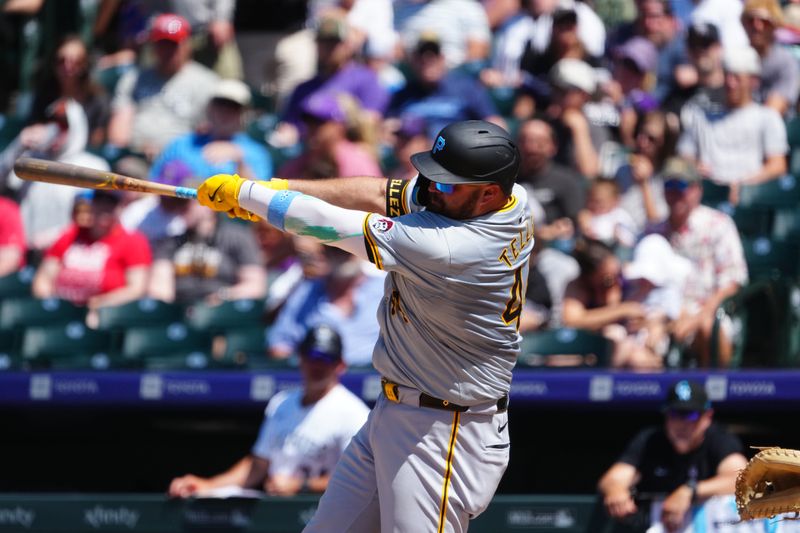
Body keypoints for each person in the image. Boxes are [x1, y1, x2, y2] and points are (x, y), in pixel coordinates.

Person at [195, 119, 532, 531]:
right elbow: (376, 193)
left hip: (445, 431)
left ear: (489, 194)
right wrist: (279, 188)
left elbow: (336, 226)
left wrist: (251, 196)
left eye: (445, 184)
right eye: (431, 177)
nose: (430, 189)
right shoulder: (510, 198)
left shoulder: (450, 247)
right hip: (397, 412)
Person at [168, 324, 370, 498]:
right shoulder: (282, 403)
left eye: (326, 359)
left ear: (340, 365)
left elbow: (360, 479)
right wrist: (208, 486)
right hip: (278, 510)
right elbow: (258, 466)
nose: (317, 364)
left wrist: (301, 486)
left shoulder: (353, 413)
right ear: (300, 358)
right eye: (312, 356)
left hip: (325, 514)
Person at [598, 379, 748, 532]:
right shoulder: (651, 440)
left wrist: (690, 491)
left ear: (707, 417)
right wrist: (615, 490)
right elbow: (614, 477)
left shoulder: (719, 440)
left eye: (691, 415)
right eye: (674, 414)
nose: (681, 424)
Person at [645, 158, 748, 368]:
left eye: (682, 185)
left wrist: (697, 317)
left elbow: (733, 281)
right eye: (669, 186)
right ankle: (647, 397)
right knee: (635, 341)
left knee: (709, 328)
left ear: (697, 189)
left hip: (708, 309)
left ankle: (716, 396)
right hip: (662, 313)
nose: (675, 193)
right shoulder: (654, 232)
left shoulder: (718, 224)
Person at [107, 13, 219, 159]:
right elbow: (119, 131)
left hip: (182, 160)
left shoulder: (207, 83)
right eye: (162, 44)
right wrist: (133, 148)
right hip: (136, 157)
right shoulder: (135, 78)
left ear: (187, 45)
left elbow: (210, 132)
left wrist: (169, 151)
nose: (168, 51)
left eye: (173, 44)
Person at [678, 45, 788, 191]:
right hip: (707, 195)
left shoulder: (767, 117)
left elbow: (778, 166)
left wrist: (744, 185)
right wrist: (693, 167)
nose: (730, 83)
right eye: (727, 76)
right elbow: (684, 156)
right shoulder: (701, 117)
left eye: (737, 77)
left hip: (749, 198)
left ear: (753, 81)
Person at [31, 190, 152, 322]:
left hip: (105, 315)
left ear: (120, 207)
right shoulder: (70, 235)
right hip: (61, 311)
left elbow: (136, 289)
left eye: (111, 202)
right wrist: (52, 305)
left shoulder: (133, 241)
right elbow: (43, 279)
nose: (104, 207)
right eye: (99, 201)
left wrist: (99, 304)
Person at [268, 237, 385, 367]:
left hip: (372, 377)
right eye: (335, 248)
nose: (341, 254)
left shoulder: (385, 288)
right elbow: (280, 346)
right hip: (320, 375)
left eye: (348, 249)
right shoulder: (306, 291)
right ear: (324, 251)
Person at [149, 78, 273, 183]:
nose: (225, 112)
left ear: (244, 114)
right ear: (209, 107)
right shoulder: (181, 144)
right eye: (220, 104)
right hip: (177, 207)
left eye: (233, 107)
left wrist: (239, 161)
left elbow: (258, 201)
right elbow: (155, 182)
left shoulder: (256, 154)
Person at [147, 202, 266, 305]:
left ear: (208, 205)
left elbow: (255, 286)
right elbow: (160, 287)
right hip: (181, 310)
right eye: (178, 203)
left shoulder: (237, 237)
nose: (180, 207)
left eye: (186, 202)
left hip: (223, 310)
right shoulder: (170, 243)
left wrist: (223, 296)